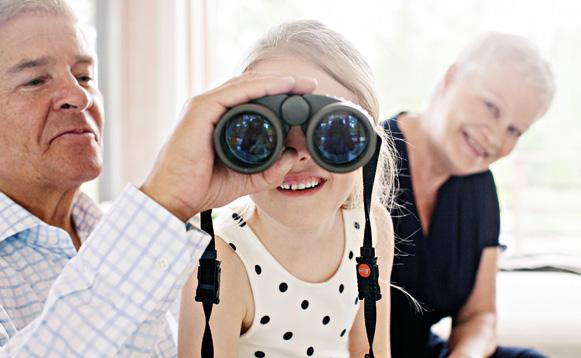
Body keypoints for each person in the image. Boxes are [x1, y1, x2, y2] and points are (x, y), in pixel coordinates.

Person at [0, 1, 318, 356]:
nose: (79, 95)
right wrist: (163, 202)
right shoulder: (145, 236)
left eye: (85, 76)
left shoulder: (143, 240)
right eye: (35, 80)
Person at [178, 20, 395, 358]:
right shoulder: (223, 263)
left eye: (333, 131)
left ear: (368, 142)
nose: (297, 155)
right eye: (262, 133)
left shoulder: (370, 226)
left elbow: (373, 351)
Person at [383, 33, 555, 358]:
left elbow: (479, 316)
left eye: (515, 130)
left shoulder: (480, 187)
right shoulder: (368, 160)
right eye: (492, 107)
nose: (496, 137)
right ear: (451, 78)